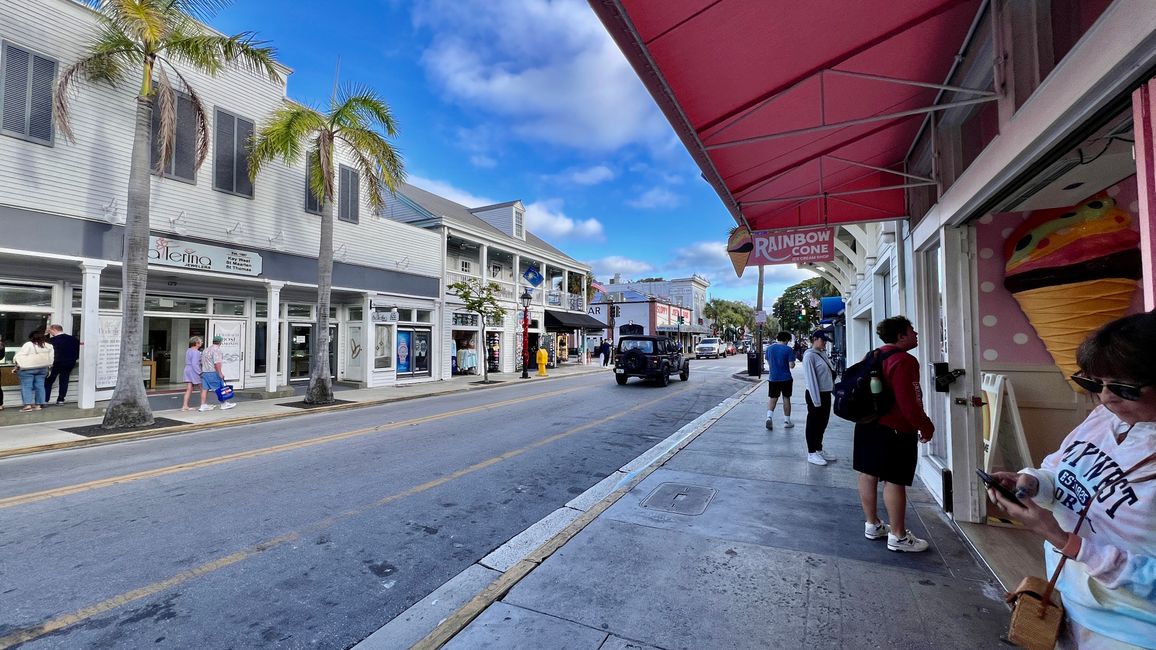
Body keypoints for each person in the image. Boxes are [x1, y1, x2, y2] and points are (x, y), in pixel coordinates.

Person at [988, 312, 1156, 648]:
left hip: (1129, 631)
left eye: (1124, 387)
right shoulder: (1103, 418)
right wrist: (1034, 483)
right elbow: (1060, 469)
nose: (1107, 397)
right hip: (1066, 602)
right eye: (1094, 384)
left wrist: (1062, 538)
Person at [854, 316, 935, 553]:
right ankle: (898, 536)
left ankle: (873, 524)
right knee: (894, 479)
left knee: (868, 473)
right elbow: (909, 401)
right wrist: (925, 425)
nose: (916, 334)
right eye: (912, 331)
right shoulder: (905, 361)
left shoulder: (873, 355)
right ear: (901, 336)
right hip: (895, 428)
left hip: (867, 424)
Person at [802, 331, 837, 466]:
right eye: (822, 340)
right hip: (815, 394)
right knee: (814, 423)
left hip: (826, 393)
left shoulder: (822, 354)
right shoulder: (809, 356)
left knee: (823, 423)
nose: (824, 342)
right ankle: (812, 452)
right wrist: (816, 400)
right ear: (815, 339)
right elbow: (811, 380)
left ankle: (818, 448)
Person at [13, 330, 54, 412]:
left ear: (31, 337)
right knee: (40, 386)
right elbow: (51, 359)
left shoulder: (28, 345)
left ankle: (27, 405)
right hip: (43, 368)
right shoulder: (49, 346)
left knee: (27, 386)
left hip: (28, 368)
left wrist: (16, 365)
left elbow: (19, 356)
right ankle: (38, 405)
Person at [764, 331, 796, 430]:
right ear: (786, 339)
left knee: (773, 398)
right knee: (786, 398)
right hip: (786, 378)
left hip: (773, 378)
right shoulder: (788, 350)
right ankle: (787, 421)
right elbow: (791, 365)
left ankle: (769, 417)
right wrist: (792, 363)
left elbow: (769, 363)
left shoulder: (769, 349)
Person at [44, 324, 80, 405]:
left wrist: (45, 335)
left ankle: (45, 400)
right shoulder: (73, 339)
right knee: (64, 381)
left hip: (55, 363)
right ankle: (61, 400)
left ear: (54, 330)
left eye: (50, 331)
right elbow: (78, 351)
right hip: (69, 362)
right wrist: (74, 358)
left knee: (49, 381)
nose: (50, 333)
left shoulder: (52, 340)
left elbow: (46, 349)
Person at [200, 335, 236, 411]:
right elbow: (217, 363)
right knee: (219, 388)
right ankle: (223, 403)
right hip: (213, 372)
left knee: (204, 389)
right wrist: (220, 373)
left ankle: (203, 405)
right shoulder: (217, 350)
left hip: (204, 372)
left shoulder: (206, 350)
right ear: (220, 342)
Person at [181, 336, 207, 411]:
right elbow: (195, 364)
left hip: (187, 369)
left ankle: (185, 405)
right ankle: (203, 404)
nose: (202, 342)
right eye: (200, 341)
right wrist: (200, 372)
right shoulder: (196, 352)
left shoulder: (188, 350)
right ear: (196, 343)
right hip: (193, 370)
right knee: (202, 387)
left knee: (189, 388)